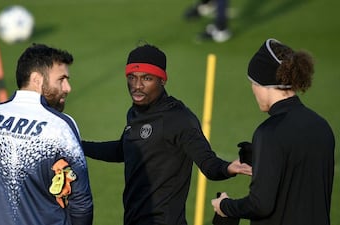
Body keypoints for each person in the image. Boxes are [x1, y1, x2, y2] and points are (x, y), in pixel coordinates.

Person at [82, 43, 251, 225]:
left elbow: (208, 163)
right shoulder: (135, 113)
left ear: (162, 80)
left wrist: (229, 168)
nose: (137, 86)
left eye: (147, 78)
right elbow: (123, 149)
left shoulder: (178, 118)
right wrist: (78, 145)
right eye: (132, 77)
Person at [0, 43, 93, 225]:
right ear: (37, 79)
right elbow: (81, 203)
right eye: (61, 79)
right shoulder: (60, 127)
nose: (67, 88)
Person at [211, 38, 335, 225]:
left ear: (264, 83)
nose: (253, 90)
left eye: (253, 83)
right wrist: (263, 162)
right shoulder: (322, 126)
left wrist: (225, 206)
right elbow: (302, 182)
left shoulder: (269, 132)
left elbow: (260, 204)